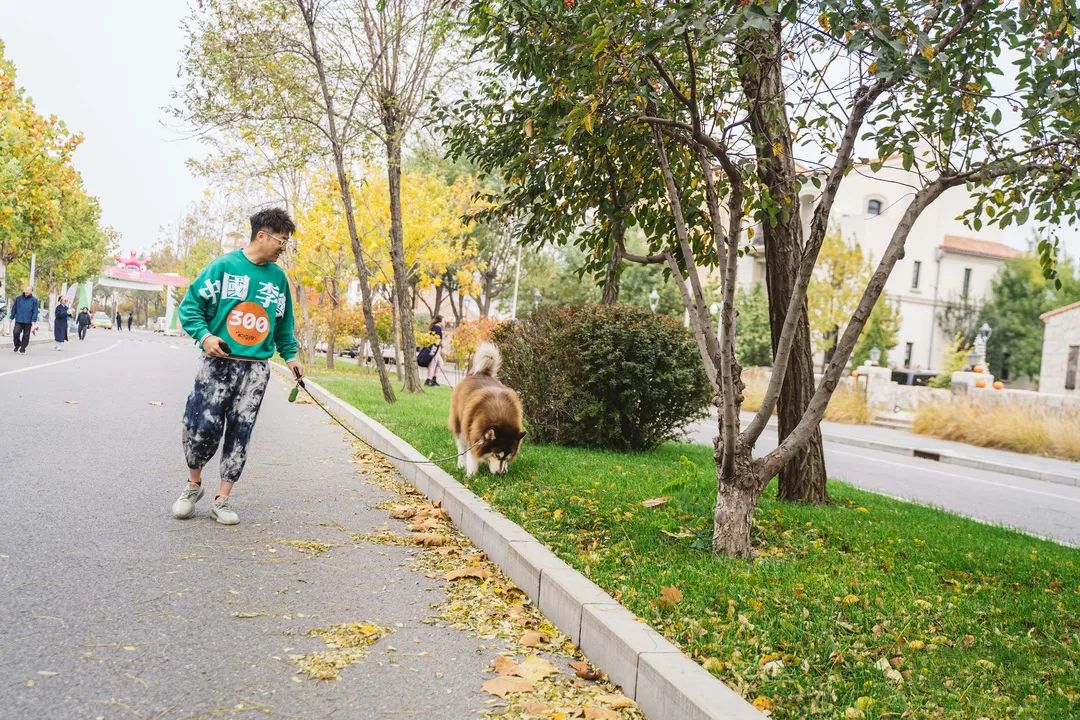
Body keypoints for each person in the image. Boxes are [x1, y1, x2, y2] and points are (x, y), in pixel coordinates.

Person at [171, 207, 302, 526]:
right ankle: (193, 486)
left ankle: (223, 498)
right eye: (281, 241)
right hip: (218, 364)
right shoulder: (224, 268)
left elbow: (283, 325)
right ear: (262, 236)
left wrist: (292, 357)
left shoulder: (278, 280)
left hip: (256, 369)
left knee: (241, 431)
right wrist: (205, 337)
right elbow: (190, 308)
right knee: (203, 427)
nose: (283, 248)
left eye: (286, 242)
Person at [9, 286, 39, 353]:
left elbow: (35, 311)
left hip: (28, 321)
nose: (27, 291)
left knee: (26, 335)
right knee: (15, 332)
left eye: (29, 290)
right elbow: (14, 308)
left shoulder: (34, 300)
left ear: (31, 291)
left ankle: (23, 348)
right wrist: (11, 317)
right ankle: (17, 344)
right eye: (26, 289)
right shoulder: (18, 298)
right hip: (19, 320)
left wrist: (34, 321)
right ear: (24, 290)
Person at [424, 315, 445, 387]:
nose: (445, 322)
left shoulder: (437, 327)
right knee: (433, 363)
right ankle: (428, 380)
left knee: (440, 363)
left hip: (436, 349)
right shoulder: (437, 327)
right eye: (444, 321)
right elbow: (437, 339)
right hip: (435, 348)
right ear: (440, 321)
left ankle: (434, 379)